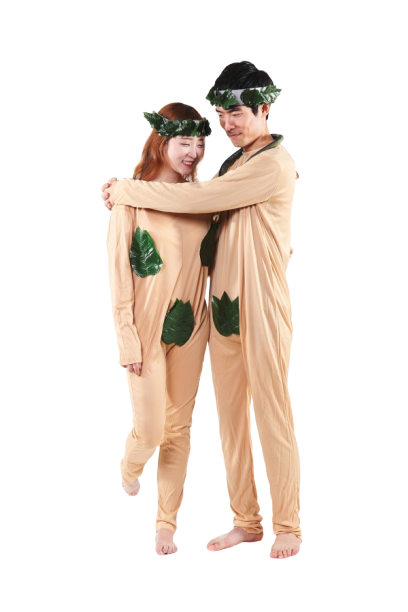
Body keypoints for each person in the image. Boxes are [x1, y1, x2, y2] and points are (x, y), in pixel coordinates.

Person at [101, 60, 301, 560]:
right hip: (221, 311)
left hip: (261, 306)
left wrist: (125, 188)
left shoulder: (273, 163)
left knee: (272, 414)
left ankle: (289, 525)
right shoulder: (231, 164)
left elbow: (205, 198)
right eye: (222, 114)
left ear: (264, 109)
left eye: (237, 113)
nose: (227, 123)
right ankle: (246, 522)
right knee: (230, 422)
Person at [106, 101, 213, 556]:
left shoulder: (206, 200)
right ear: (161, 143)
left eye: (200, 143)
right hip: (146, 328)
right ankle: (130, 466)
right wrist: (126, 337)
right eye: (184, 142)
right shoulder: (130, 199)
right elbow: (119, 275)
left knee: (178, 429)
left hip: (193, 327)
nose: (194, 152)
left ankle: (166, 523)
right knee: (149, 430)